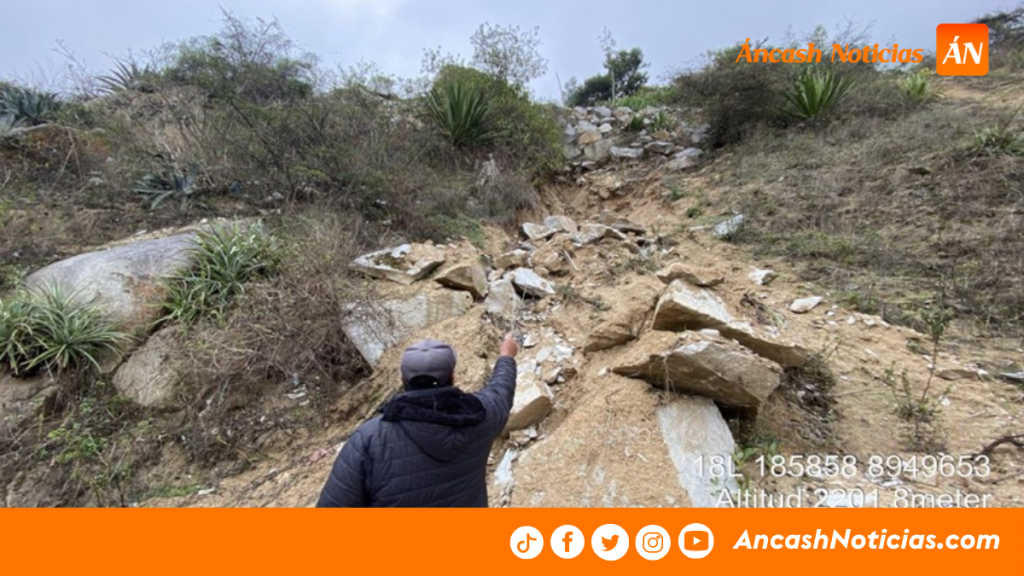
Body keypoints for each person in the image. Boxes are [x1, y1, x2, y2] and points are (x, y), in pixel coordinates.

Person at [316, 334, 519, 507]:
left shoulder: (369, 439)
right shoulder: (480, 417)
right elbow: (501, 389)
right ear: (452, 378)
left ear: (402, 380)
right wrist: (506, 356)